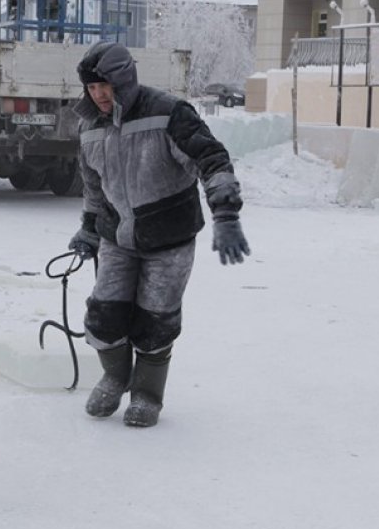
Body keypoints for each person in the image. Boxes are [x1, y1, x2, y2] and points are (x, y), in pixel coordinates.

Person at [67, 42, 250, 428]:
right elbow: (94, 187)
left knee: (155, 320)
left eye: (104, 86)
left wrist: (226, 213)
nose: (97, 94)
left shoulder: (168, 113)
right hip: (118, 236)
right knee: (103, 315)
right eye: (91, 87)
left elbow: (211, 159)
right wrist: (88, 229)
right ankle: (115, 377)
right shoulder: (89, 126)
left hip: (170, 238)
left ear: (122, 81)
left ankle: (147, 394)